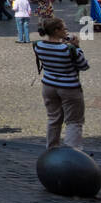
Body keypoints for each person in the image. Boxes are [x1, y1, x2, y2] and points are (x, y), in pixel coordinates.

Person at [33, 18, 89, 150]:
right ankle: (73, 151)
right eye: (64, 28)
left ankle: (51, 148)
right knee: (74, 121)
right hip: (69, 87)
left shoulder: (38, 46)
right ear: (56, 30)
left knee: (53, 118)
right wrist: (76, 47)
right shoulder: (68, 49)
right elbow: (84, 65)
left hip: (49, 86)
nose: (66, 31)